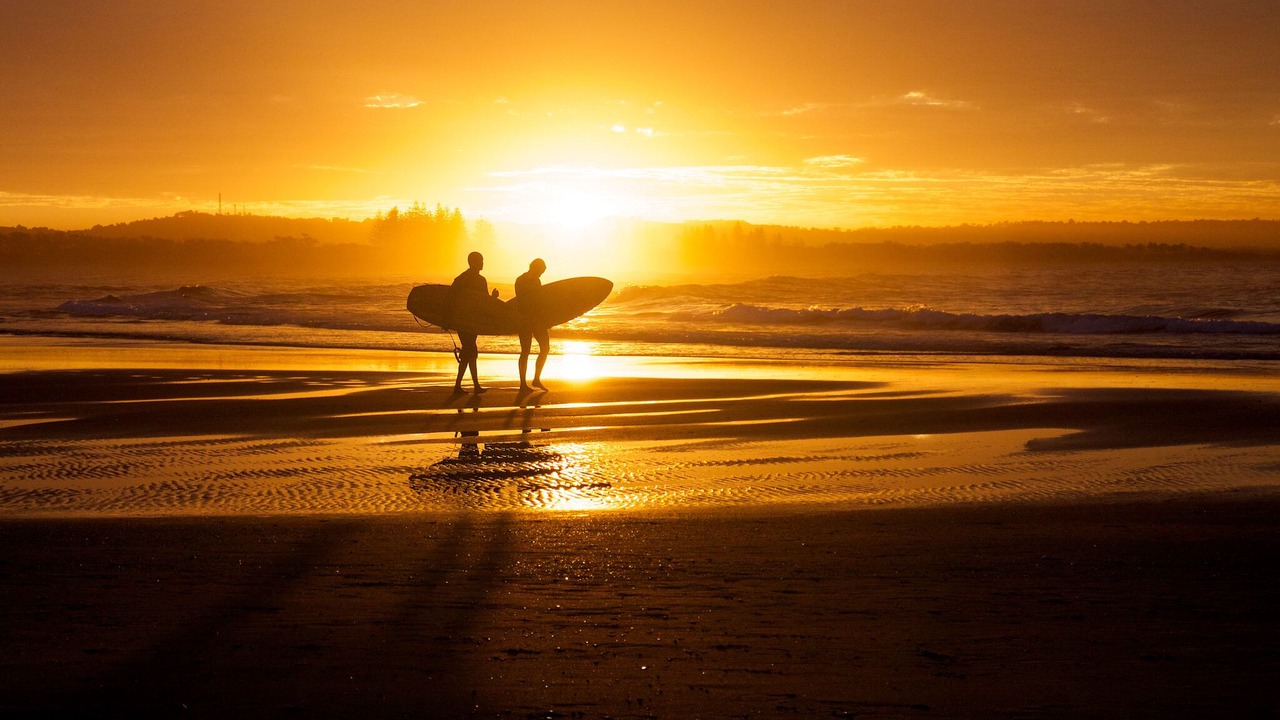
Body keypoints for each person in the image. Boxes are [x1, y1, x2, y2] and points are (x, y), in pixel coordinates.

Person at [449, 251, 494, 394]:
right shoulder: (479, 280)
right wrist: (493, 299)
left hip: (465, 321)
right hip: (468, 321)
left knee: (470, 352)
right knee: (470, 351)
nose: (482, 263)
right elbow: (485, 302)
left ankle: (472, 385)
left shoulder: (461, 278)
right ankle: (464, 386)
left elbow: (449, 299)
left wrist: (447, 319)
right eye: (480, 261)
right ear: (474, 262)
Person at [515, 258, 549, 391]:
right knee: (525, 351)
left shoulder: (536, 280)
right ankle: (523, 383)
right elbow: (522, 301)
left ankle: (536, 379)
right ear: (535, 268)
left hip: (537, 320)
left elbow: (539, 301)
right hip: (524, 320)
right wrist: (531, 317)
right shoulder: (521, 280)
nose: (541, 274)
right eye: (540, 271)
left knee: (545, 348)